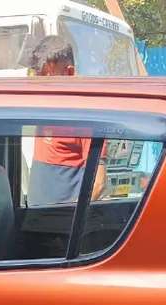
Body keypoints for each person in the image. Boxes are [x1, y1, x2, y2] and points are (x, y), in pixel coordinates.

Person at [25, 36, 106, 207]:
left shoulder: (85, 116)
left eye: (48, 78)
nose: (42, 87)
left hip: (63, 220)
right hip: (34, 217)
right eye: (39, 78)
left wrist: (70, 215)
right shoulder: (43, 105)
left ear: (69, 73)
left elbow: (98, 184)